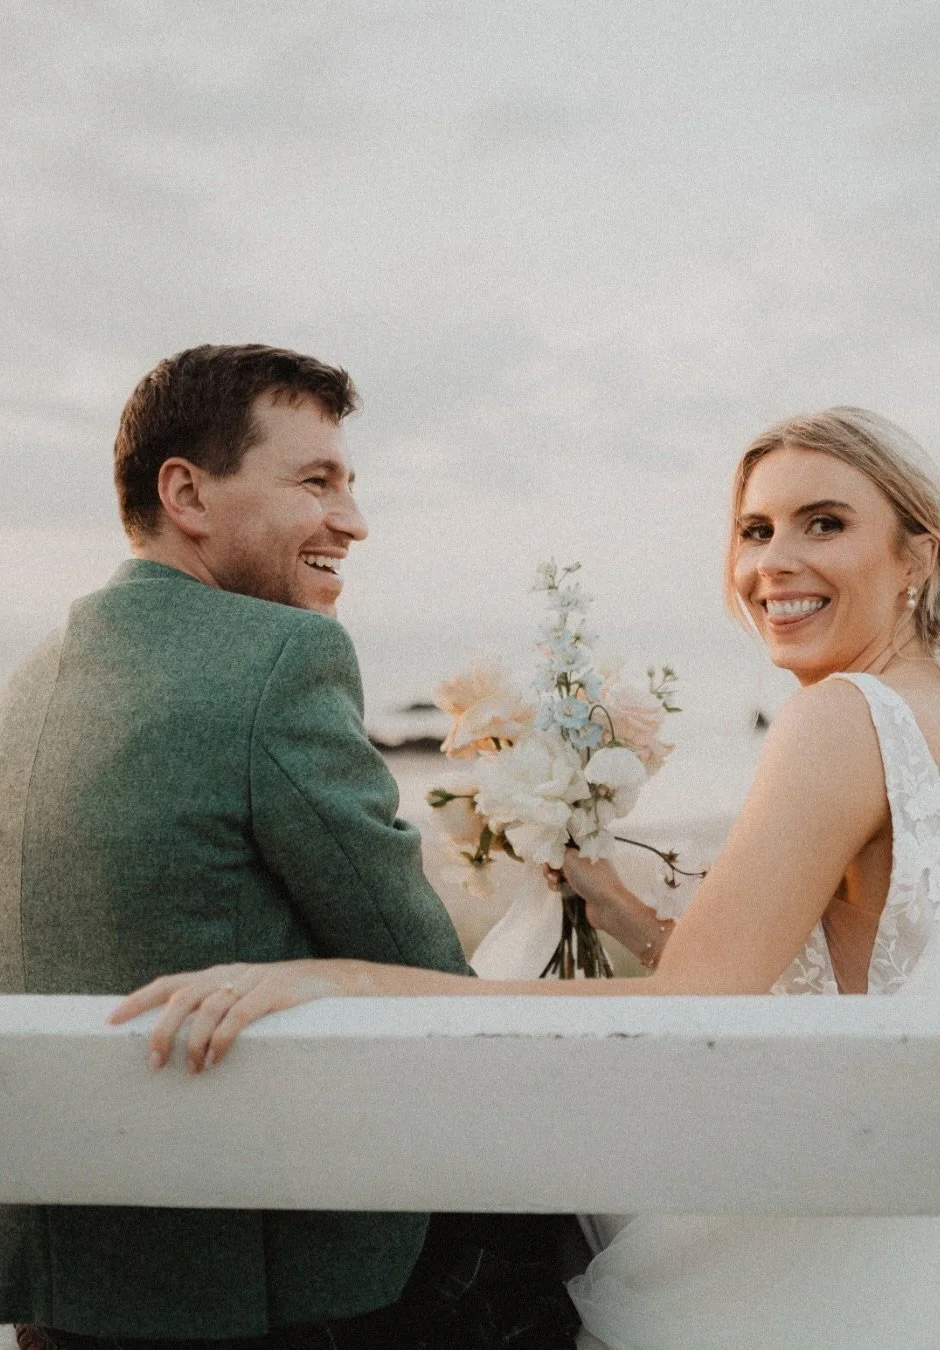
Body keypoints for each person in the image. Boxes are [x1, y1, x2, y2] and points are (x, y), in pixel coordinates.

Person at [112, 407, 940, 1349]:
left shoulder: (839, 717)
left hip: (787, 1265)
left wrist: (336, 980)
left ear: (917, 558)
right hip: (891, 1236)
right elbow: (814, 971)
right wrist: (616, 904)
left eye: (823, 523)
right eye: (755, 529)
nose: (770, 564)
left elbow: (693, 1009)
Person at [0, 344, 580, 1350]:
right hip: (264, 1291)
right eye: (316, 482)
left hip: (60, 1290)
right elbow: (420, 972)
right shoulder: (282, 659)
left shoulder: (35, 677)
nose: (352, 521)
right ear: (185, 491)